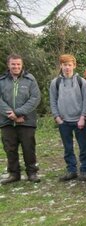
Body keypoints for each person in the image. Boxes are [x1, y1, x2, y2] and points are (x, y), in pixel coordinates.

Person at [0, 54, 41, 184]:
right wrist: (10, 115)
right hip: (7, 122)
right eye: (13, 64)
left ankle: (32, 173)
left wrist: (17, 113)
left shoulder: (30, 80)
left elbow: (35, 98)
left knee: (29, 148)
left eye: (18, 64)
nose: (16, 66)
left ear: (22, 65)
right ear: (8, 65)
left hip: (26, 121)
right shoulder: (2, 81)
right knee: (10, 149)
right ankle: (13, 174)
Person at [50, 54, 86, 181]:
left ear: (74, 65)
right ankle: (71, 170)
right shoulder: (55, 82)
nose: (67, 67)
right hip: (64, 121)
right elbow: (53, 101)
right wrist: (57, 117)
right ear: (61, 66)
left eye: (69, 65)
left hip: (79, 121)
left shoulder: (81, 81)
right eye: (64, 65)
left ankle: (84, 170)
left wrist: (83, 117)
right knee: (68, 148)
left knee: (83, 147)